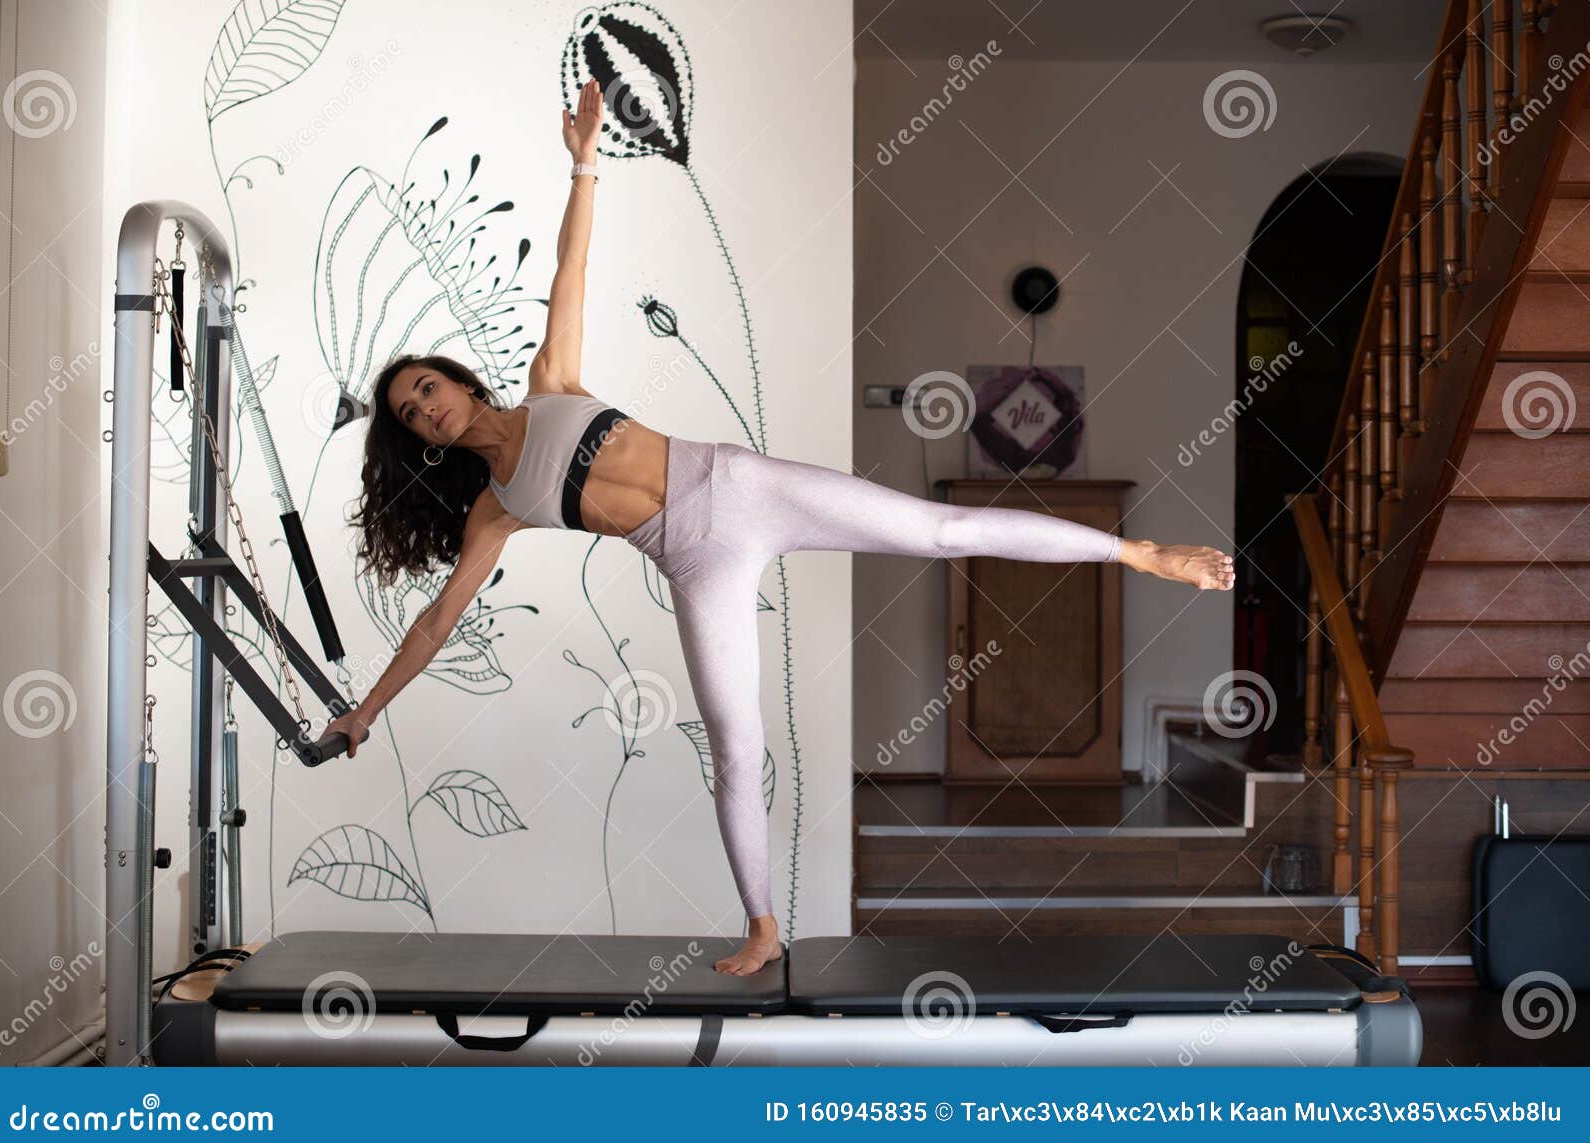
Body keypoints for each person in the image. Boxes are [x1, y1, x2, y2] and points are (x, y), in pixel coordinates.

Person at [321, 81, 1234, 977]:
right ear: (420, 442)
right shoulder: (496, 509)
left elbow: (573, 267)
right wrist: (367, 709)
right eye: (409, 414)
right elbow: (438, 622)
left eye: (427, 390)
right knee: (734, 742)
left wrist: (586, 165)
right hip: (694, 559)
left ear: (459, 381)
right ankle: (763, 927)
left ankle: (1139, 552)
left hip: (741, 483)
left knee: (943, 531)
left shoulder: (550, 383)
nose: (425, 410)